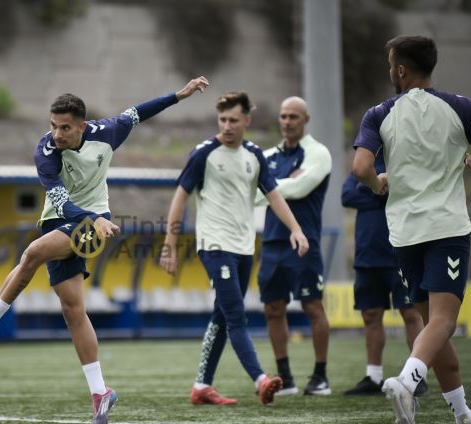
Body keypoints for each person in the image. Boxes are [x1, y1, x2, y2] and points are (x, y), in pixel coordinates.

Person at [0, 76, 211, 424]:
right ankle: (101, 392)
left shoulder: (108, 131)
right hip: (65, 219)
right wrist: (92, 218)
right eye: (53, 126)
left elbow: (140, 112)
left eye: (65, 127)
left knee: (33, 252)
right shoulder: (45, 151)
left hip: (90, 225)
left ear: (82, 126)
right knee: (73, 311)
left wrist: (180, 94)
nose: (57, 134)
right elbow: (60, 202)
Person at [352, 35, 471, 424]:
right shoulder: (460, 106)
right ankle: (406, 382)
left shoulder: (379, 113)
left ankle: (464, 417)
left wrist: (378, 183)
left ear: (400, 70)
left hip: (404, 233)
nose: (390, 70)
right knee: (443, 321)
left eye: (391, 64)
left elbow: (361, 167)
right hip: (446, 229)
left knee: (433, 329)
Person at [159, 91, 309, 406]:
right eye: (222, 120)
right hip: (214, 246)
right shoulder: (204, 153)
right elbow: (180, 198)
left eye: (233, 120)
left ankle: (202, 386)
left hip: (243, 248)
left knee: (223, 314)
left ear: (247, 121)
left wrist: (296, 229)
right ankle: (261, 380)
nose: (227, 126)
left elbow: (274, 196)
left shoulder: (254, 155)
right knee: (236, 316)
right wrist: (169, 246)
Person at [255, 97, 332, 396]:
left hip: (304, 241)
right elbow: (249, 193)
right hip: (272, 241)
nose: (287, 122)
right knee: (273, 308)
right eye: (283, 116)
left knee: (312, 305)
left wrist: (270, 186)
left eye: (293, 117)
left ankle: (320, 376)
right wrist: (282, 183)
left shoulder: (318, 153)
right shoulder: (266, 156)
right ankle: (285, 378)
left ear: (306, 119)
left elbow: (301, 188)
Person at [340, 168, 424, 396]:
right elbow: (347, 196)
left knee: (411, 313)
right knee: (371, 315)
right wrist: (379, 191)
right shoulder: (361, 169)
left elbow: (405, 196)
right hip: (367, 257)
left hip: (400, 254)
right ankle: (374, 377)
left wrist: (368, 191)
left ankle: (417, 377)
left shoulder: (400, 163)